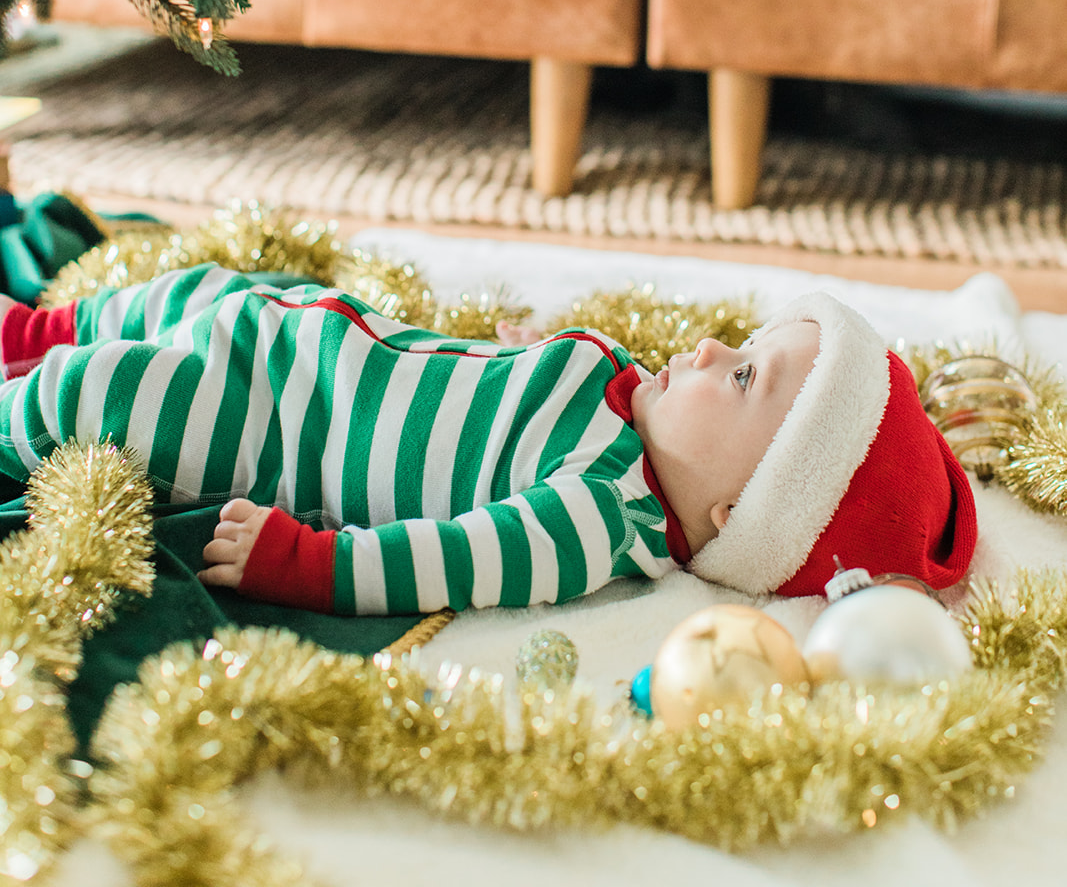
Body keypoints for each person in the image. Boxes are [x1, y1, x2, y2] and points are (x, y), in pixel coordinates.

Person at [0, 266, 976, 614]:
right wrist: (520, 352)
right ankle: (38, 329)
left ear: (739, 508)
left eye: (742, 376)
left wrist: (308, 565)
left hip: (269, 426)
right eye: (746, 343)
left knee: (119, 393)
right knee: (192, 290)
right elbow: (515, 379)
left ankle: (25, 390)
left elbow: (451, 562)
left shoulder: (597, 518)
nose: (715, 342)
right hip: (297, 328)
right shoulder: (629, 388)